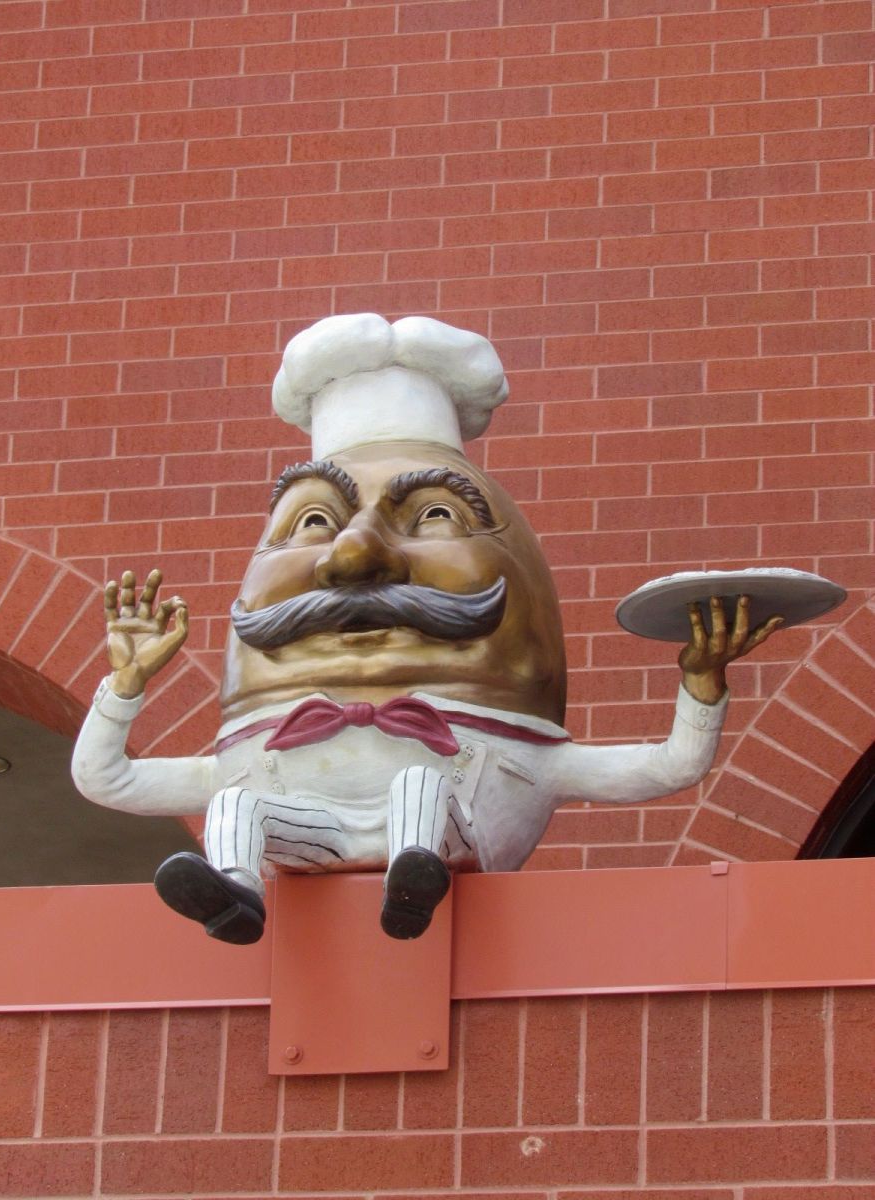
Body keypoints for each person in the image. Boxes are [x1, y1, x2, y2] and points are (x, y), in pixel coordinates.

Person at [72, 314, 782, 945]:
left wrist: (701, 681)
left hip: (456, 832)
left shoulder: (530, 757)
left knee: (422, 783)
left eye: (435, 515)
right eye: (314, 521)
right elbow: (107, 781)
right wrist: (126, 685)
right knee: (234, 803)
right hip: (315, 836)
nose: (355, 556)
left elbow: (672, 768)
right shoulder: (245, 757)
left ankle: (416, 876)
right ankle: (235, 894)